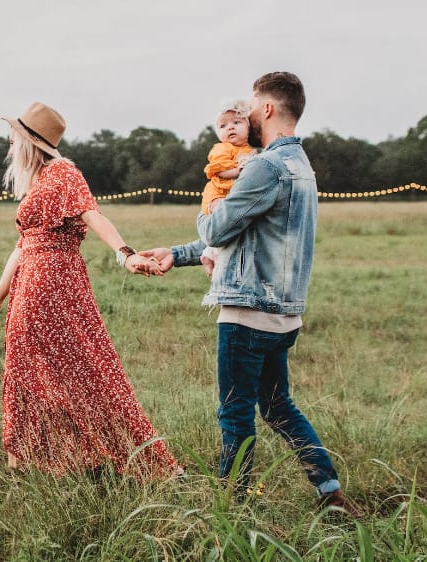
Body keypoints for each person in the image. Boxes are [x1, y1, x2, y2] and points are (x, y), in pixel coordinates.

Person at [139, 72, 360, 514]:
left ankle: (231, 506)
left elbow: (219, 227)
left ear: (269, 109)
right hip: (283, 315)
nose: (247, 115)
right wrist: (178, 254)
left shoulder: (264, 166)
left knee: (235, 413)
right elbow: (246, 236)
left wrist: (211, 209)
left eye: (253, 107)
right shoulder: (301, 166)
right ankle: (329, 492)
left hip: (247, 313)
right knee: (279, 408)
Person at [0, 101, 180, 477]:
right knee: (33, 367)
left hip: (52, 281)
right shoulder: (38, 181)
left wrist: (125, 254)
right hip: (31, 280)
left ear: (30, 141)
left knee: (80, 367)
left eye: (13, 136)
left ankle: (105, 454)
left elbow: (93, 214)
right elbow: (22, 247)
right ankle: (42, 458)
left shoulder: (63, 173)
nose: (8, 143)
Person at [200, 100, 256, 276]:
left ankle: (209, 253)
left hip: (231, 193)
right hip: (218, 193)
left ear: (248, 127)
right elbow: (218, 168)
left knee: (232, 225)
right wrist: (236, 171)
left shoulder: (250, 150)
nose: (230, 128)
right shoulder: (222, 148)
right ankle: (213, 256)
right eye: (223, 126)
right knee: (223, 219)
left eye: (236, 123)